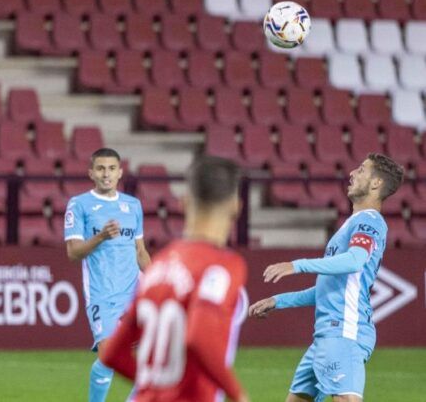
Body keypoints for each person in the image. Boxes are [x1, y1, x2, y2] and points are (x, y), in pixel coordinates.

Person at [248, 153, 404, 402]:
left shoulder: (369, 221)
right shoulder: (352, 223)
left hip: (344, 332)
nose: (353, 173)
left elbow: (355, 260)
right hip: (326, 334)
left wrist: (297, 265)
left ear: (376, 184)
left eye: (362, 170)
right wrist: (278, 301)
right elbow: (327, 289)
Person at [101, 155, 250, 402]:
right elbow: (199, 337)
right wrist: (239, 395)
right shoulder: (223, 265)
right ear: (236, 205)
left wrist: (158, 387)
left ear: (183, 203)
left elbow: (112, 354)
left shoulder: (159, 265)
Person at [64, 147, 151, 402]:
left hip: (136, 290)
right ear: (91, 172)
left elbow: (140, 251)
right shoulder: (79, 204)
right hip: (103, 294)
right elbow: (73, 252)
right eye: (100, 168)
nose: (106, 174)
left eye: (112, 168)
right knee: (109, 358)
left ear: (120, 172)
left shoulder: (132, 205)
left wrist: (159, 280)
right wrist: (101, 236)